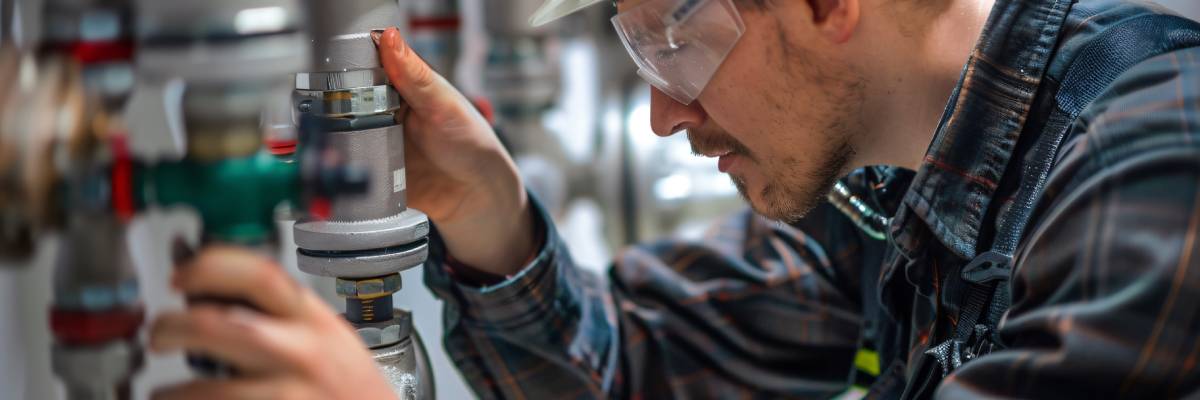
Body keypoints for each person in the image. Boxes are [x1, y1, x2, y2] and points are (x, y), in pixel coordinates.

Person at [146, 0, 1200, 398]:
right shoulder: (885, 191)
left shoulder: (1154, 155)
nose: (658, 112)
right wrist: (490, 216)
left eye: (671, 43)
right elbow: (643, 366)